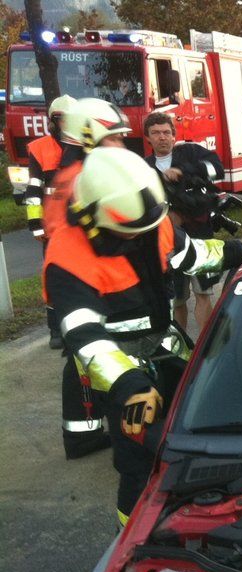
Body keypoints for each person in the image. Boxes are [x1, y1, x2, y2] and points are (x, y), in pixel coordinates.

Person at [44, 147, 242, 526]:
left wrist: (239, 250)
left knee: (196, 434)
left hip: (165, 350)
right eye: (132, 232)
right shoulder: (68, 257)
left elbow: (192, 255)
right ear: (95, 218)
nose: (144, 237)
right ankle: (133, 538)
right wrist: (128, 385)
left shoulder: (152, 222)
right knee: (138, 465)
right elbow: (85, 336)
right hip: (121, 375)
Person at [44, 98, 133, 459]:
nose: (121, 145)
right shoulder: (88, 178)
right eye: (115, 138)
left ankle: (82, 433)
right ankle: (86, 435)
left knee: (79, 358)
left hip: (73, 276)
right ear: (90, 138)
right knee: (92, 355)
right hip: (90, 279)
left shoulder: (69, 172)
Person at [143, 111, 226, 332]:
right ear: (148, 138)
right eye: (155, 133)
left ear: (174, 135)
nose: (162, 137)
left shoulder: (190, 152)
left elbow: (218, 170)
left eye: (166, 132)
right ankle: (184, 345)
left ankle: (206, 346)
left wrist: (183, 171)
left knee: (203, 294)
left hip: (200, 238)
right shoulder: (143, 168)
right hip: (168, 244)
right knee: (178, 300)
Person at [24, 94, 75, 347]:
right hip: (53, 228)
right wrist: (35, 225)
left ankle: (79, 325)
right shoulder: (39, 148)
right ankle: (56, 329)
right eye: (62, 119)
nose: (67, 124)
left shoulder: (85, 146)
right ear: (53, 121)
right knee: (54, 276)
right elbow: (33, 190)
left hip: (80, 224)